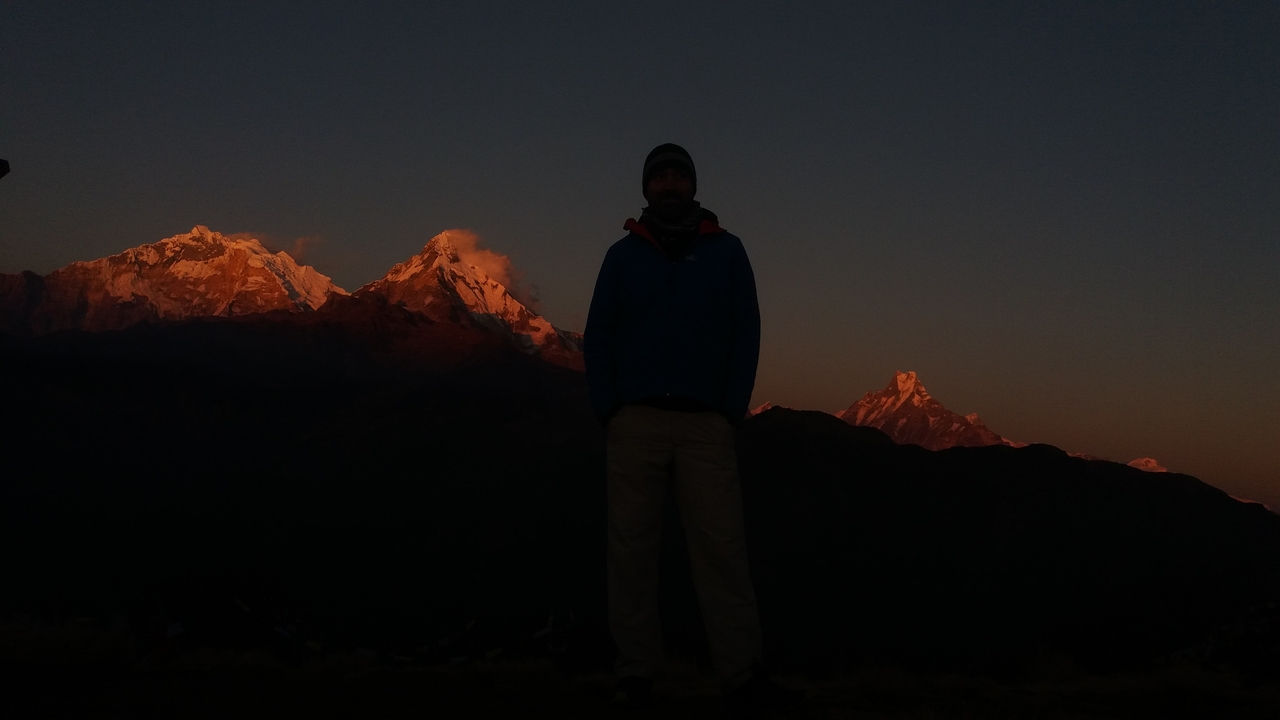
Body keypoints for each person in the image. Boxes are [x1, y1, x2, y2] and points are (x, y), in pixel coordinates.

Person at [584, 143, 802, 715]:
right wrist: (611, 406)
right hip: (636, 420)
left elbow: (746, 331)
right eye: (661, 176)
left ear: (693, 185)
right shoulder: (622, 255)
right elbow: (599, 330)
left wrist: (730, 408)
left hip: (706, 424)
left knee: (722, 550)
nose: (670, 184)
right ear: (647, 188)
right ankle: (635, 671)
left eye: (679, 175)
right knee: (631, 551)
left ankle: (740, 674)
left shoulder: (727, 252)